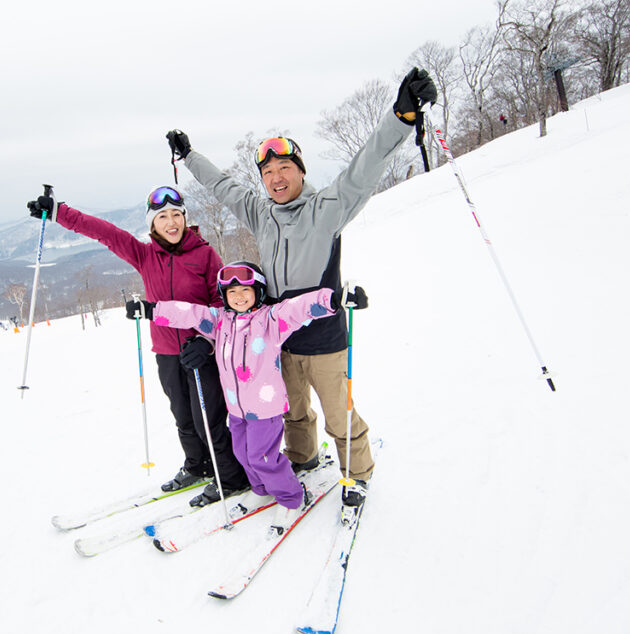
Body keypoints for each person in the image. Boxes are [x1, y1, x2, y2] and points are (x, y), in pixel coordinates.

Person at [166, 68, 437, 509]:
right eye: (268, 171)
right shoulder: (260, 213)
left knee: (338, 415)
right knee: (290, 411)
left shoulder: (327, 209)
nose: (276, 177)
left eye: (285, 167)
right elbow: (222, 186)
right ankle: (304, 458)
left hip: (325, 337)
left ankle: (359, 474)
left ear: (300, 171)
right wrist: (190, 156)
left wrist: (402, 116)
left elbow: (364, 169)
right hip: (277, 339)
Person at [26, 186, 251, 506]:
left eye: (176, 215)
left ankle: (230, 477)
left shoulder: (205, 255)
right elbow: (106, 233)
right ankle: (198, 465)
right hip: (166, 352)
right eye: (162, 216)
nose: (171, 222)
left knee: (208, 419)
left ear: (185, 218)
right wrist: (61, 212)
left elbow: (223, 304)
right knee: (183, 417)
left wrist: (206, 340)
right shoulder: (145, 255)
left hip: (201, 351)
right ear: (152, 223)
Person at [131, 261, 364, 530]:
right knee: (242, 454)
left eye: (245, 290)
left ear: (259, 292)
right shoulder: (219, 321)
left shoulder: (272, 320)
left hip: (265, 409)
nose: (238, 297)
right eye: (231, 293)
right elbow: (190, 314)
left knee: (262, 457)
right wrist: (149, 310)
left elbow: (299, 307)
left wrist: (335, 298)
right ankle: (261, 488)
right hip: (237, 409)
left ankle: (291, 498)